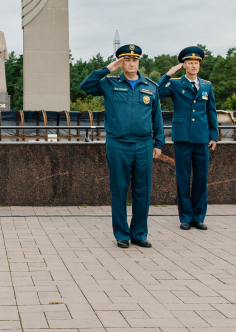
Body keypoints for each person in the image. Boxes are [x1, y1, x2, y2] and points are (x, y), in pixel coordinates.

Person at [80, 44, 164, 248]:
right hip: (118, 143)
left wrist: (159, 142)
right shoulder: (109, 83)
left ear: (139, 62)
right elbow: (85, 85)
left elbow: (157, 116)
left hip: (144, 144)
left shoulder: (150, 86)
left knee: (142, 190)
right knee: (119, 189)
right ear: (121, 62)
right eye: (127, 59)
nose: (132, 63)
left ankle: (139, 233)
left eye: (135, 59)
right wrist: (108, 69)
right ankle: (121, 234)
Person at [157, 46, 218, 231]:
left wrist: (213, 135)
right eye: (190, 63)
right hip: (182, 137)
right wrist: (167, 75)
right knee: (183, 178)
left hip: (201, 138)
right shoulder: (175, 84)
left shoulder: (207, 85)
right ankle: (185, 217)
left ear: (199, 65)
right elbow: (156, 93)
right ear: (183, 65)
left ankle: (198, 217)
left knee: (201, 178)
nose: (194, 66)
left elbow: (211, 111)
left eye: (196, 63)